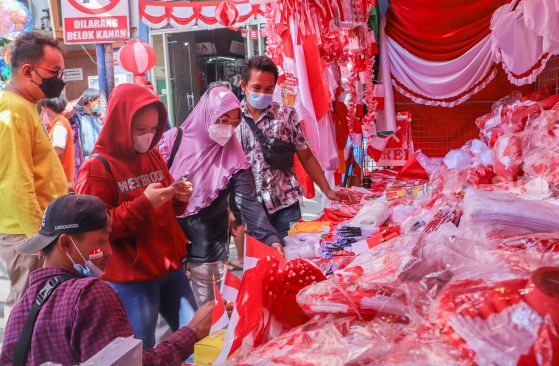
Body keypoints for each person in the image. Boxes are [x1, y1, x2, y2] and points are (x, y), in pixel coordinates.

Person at [0, 194, 215, 365]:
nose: (108, 251)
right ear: (66, 244)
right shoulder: (89, 294)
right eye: (101, 241)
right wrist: (192, 332)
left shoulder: (21, 308)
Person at [75, 83, 197, 349]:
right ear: (120, 123)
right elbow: (96, 230)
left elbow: (166, 206)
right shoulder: (96, 167)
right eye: (140, 130)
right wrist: (143, 203)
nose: (148, 136)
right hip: (131, 278)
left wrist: (179, 198)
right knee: (139, 350)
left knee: (196, 340)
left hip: (169, 267)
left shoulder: (152, 154)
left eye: (153, 130)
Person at [158, 86, 282, 305]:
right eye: (222, 119)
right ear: (208, 113)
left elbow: (249, 202)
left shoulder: (233, 153)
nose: (228, 128)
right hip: (167, 243)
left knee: (209, 312)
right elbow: (153, 186)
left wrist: (269, 238)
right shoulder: (172, 140)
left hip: (208, 246)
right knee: (172, 314)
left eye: (234, 122)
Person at [235, 56, 352, 240]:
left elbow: (306, 157)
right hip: (252, 209)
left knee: (292, 259)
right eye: (256, 88)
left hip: (286, 204)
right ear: (244, 86)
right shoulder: (232, 119)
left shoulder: (286, 115)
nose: (263, 93)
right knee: (260, 263)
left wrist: (327, 190)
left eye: (269, 89)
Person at [0, 31, 67, 325]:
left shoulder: (27, 107)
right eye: (54, 71)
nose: (60, 79)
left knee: (40, 314)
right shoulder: (13, 110)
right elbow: (15, 183)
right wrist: (39, 241)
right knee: (28, 317)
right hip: (28, 235)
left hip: (36, 230)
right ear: (28, 71)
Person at [41, 96, 76, 190]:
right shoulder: (61, 122)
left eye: (42, 108)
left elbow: (58, 153)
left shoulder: (59, 126)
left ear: (46, 107)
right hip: (62, 180)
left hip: (60, 181)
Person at [71, 88, 103, 160]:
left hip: (100, 158)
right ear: (90, 101)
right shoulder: (77, 117)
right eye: (98, 102)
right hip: (84, 159)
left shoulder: (99, 117)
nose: (99, 105)